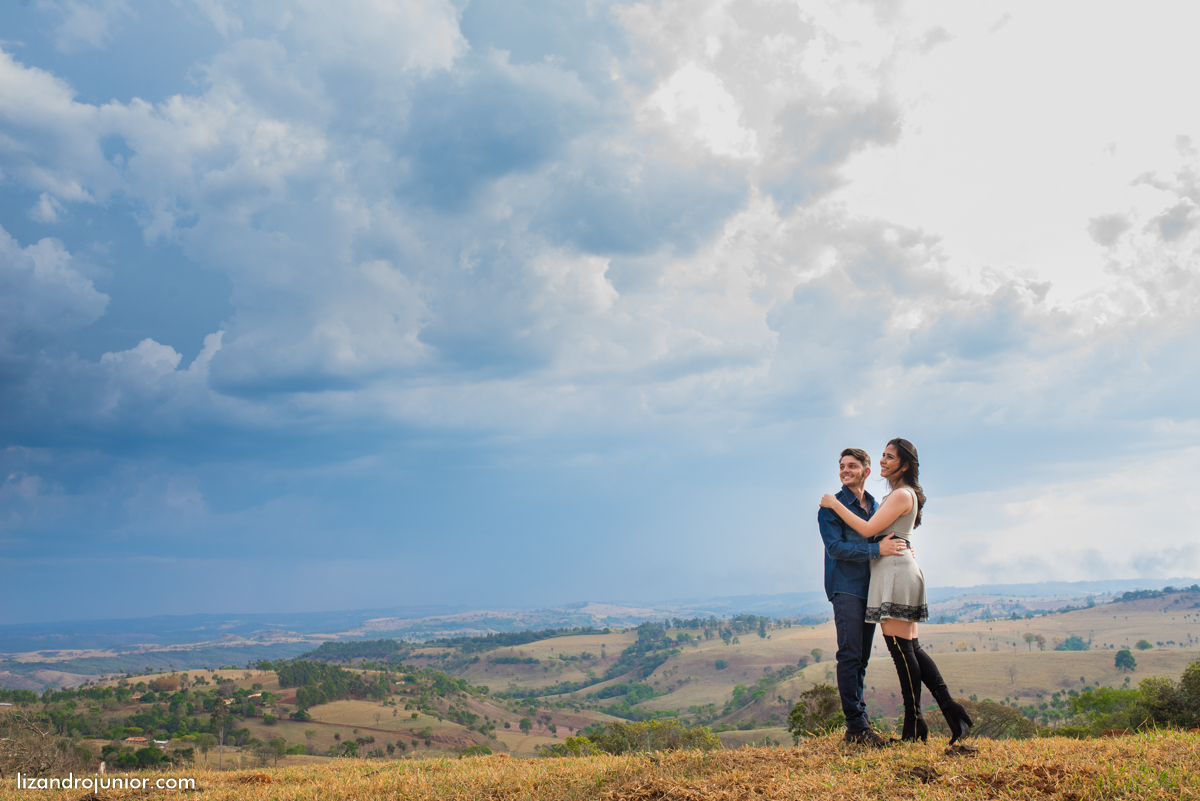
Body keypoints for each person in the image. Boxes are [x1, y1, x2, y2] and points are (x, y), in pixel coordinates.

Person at [820, 438, 973, 744]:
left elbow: (869, 531)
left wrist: (837, 505)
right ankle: (939, 712)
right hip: (864, 583)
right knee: (901, 649)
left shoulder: (890, 498)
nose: (883, 462)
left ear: (904, 465)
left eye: (890, 457)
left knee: (900, 650)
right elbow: (841, 546)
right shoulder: (892, 498)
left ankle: (916, 721)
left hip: (892, 576)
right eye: (841, 467)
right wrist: (893, 545)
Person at [818, 447, 909, 747]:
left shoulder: (873, 504)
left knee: (862, 659)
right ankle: (856, 728)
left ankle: (860, 728)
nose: (845, 470)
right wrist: (875, 550)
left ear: (866, 471)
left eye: (852, 466)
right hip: (845, 587)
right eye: (842, 466)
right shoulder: (829, 508)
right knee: (850, 655)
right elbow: (836, 549)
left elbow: (878, 536)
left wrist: (893, 546)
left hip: (871, 587)